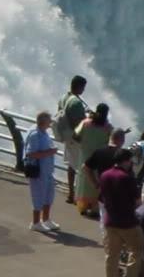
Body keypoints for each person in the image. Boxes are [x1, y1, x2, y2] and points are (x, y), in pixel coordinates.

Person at [99, 148, 144, 277]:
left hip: (110, 220)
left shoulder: (104, 175)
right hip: (128, 222)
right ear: (126, 161)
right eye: (130, 161)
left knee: (112, 255)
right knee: (137, 249)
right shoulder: (127, 178)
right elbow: (137, 202)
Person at [24, 111, 61, 232]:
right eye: (49, 120)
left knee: (49, 195)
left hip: (47, 170)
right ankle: (35, 222)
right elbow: (30, 154)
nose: (50, 123)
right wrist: (50, 152)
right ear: (43, 122)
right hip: (38, 171)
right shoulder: (35, 134)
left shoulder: (43, 132)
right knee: (38, 195)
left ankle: (46, 219)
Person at [73, 105, 114, 216]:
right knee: (97, 181)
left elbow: (75, 135)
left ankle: (83, 207)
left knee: (84, 181)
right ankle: (95, 209)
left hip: (85, 155)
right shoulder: (108, 127)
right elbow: (112, 142)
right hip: (100, 158)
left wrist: (84, 142)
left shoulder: (86, 123)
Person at [79, 127, 127, 217]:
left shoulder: (99, 152)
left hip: (103, 191)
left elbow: (85, 167)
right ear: (122, 140)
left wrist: (96, 184)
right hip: (118, 194)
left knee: (104, 220)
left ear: (111, 137)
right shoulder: (124, 155)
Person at [56, 75, 88, 203]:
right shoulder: (76, 102)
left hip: (66, 135)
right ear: (79, 86)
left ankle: (71, 193)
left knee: (71, 165)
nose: (84, 90)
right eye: (83, 87)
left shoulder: (64, 98)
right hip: (76, 139)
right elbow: (80, 124)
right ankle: (79, 196)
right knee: (81, 167)